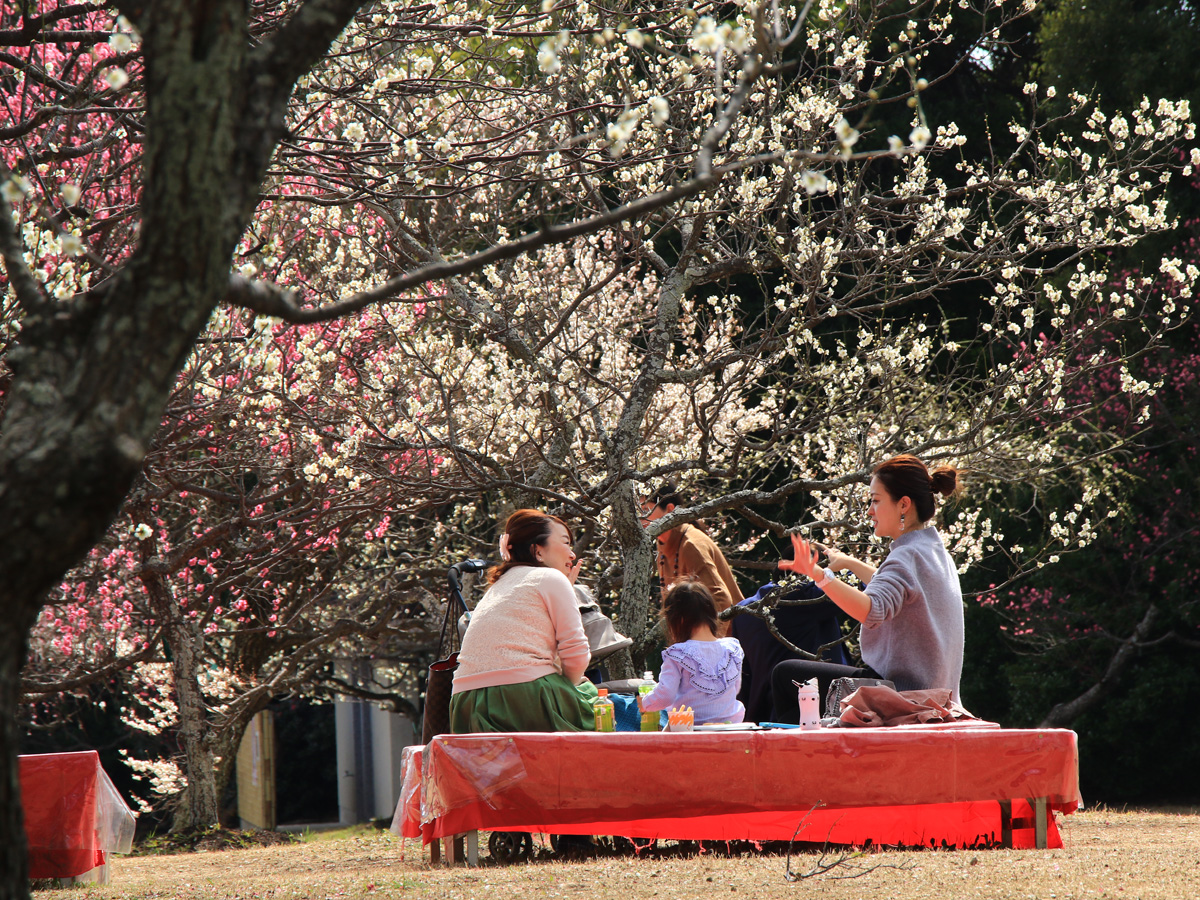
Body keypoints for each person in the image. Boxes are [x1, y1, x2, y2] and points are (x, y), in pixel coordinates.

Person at [770, 454, 965, 722]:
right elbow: (902, 592)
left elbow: (872, 610)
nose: (869, 511)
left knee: (785, 674)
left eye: (875, 500)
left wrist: (817, 574)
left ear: (903, 505)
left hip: (903, 695)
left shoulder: (905, 558)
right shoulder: (933, 552)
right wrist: (851, 563)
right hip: (938, 695)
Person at [449, 509, 599, 733]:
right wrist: (571, 690)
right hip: (522, 694)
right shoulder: (550, 578)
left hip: (466, 703)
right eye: (565, 543)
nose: (572, 555)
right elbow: (576, 655)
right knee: (604, 707)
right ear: (537, 551)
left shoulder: (497, 586)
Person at [730, 577, 848, 724]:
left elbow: (744, 674)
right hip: (807, 713)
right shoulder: (805, 594)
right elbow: (859, 590)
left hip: (760, 714)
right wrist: (844, 565)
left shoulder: (744, 610)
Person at [642, 483, 744, 636]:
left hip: (732, 645)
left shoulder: (692, 545)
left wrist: (706, 649)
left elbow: (721, 600)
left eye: (645, 510)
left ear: (670, 510)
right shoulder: (662, 543)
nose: (640, 518)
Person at [638, 580, 746, 725]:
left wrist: (644, 703)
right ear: (712, 613)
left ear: (679, 620)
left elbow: (665, 696)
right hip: (730, 726)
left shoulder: (678, 654)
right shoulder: (732, 648)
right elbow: (735, 688)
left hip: (690, 728)